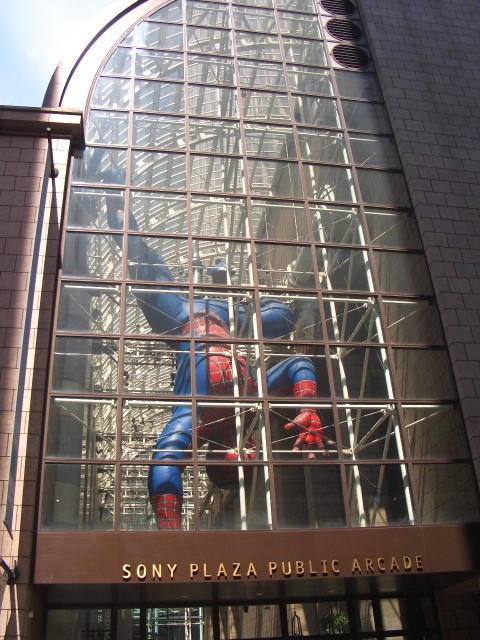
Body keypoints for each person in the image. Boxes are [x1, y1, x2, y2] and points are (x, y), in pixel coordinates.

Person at [108, 209, 332, 529]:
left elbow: (166, 458)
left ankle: (116, 203)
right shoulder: (251, 403)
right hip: (227, 319)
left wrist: (169, 529)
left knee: (144, 261)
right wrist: (307, 406)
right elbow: (299, 364)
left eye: (238, 462)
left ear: (216, 459)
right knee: (283, 318)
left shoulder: (197, 420)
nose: (248, 454)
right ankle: (293, 270)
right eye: (250, 459)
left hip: (180, 320)